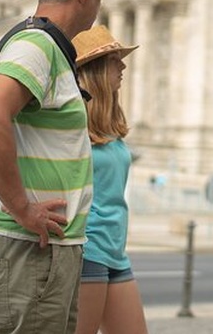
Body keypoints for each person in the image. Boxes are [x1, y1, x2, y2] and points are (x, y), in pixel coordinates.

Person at [0, 0, 110, 334]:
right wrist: (22, 208)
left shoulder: (48, 47)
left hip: (43, 252)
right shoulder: (37, 45)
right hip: (25, 249)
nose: (100, 3)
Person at [71, 25, 148, 334]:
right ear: (98, 68)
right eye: (116, 59)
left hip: (115, 249)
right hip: (86, 248)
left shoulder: (112, 123)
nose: (123, 66)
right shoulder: (72, 120)